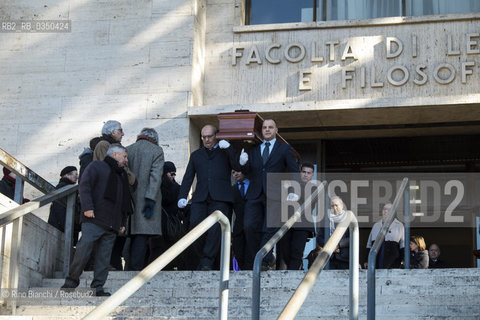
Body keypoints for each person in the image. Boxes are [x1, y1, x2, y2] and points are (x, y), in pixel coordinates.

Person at [61, 145, 132, 296]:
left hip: (112, 223)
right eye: (124, 156)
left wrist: (123, 223)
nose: (126, 160)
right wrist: (87, 207)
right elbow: (84, 186)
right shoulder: (97, 166)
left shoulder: (122, 175)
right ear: (114, 154)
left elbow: (124, 201)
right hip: (93, 219)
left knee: (104, 258)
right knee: (83, 251)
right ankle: (70, 283)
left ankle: (97, 287)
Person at [177, 124, 240, 270]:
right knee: (194, 226)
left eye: (209, 136)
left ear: (216, 136)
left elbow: (237, 166)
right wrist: (182, 196)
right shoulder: (196, 155)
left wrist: (229, 148)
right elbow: (188, 177)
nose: (206, 140)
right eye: (203, 137)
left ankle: (207, 261)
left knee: (215, 229)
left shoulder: (225, 152)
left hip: (221, 198)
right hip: (200, 198)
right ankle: (202, 258)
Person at [239, 119, 299, 270]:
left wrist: (293, 191)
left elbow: (294, 172)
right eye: (264, 127)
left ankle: (264, 261)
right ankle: (262, 257)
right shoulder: (253, 150)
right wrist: (243, 164)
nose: (267, 130)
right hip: (254, 194)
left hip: (275, 194)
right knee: (249, 226)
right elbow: (248, 172)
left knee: (269, 228)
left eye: (270, 127)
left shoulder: (284, 148)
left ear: (276, 130)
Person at [93, 120, 136, 270]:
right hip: (109, 196)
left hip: (119, 196)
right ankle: (108, 264)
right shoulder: (104, 145)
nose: (123, 133)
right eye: (120, 130)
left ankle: (114, 263)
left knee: (119, 233)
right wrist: (131, 177)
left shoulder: (114, 146)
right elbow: (109, 169)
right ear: (112, 132)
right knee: (110, 233)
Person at [126, 128, 164, 270]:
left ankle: (128, 267)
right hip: (146, 199)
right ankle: (135, 270)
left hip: (129, 199)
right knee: (142, 235)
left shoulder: (128, 149)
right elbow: (155, 177)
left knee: (131, 234)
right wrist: (151, 199)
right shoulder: (157, 151)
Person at [277, 162, 315, 270]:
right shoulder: (290, 185)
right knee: (285, 252)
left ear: (312, 175)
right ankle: (293, 271)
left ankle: (293, 275)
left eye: (309, 173)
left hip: (302, 225)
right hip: (286, 223)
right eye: (303, 172)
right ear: (299, 173)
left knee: (297, 251)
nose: (306, 175)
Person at [149, 161, 185, 270]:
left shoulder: (175, 188)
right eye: (171, 174)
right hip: (160, 226)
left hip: (169, 226)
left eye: (174, 174)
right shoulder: (159, 187)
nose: (173, 177)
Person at [364, 203, 405, 269]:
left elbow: (403, 244)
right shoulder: (376, 225)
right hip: (377, 259)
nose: (386, 211)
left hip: (393, 261)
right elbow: (369, 245)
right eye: (384, 209)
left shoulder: (399, 225)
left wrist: (404, 259)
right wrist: (366, 260)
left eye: (389, 209)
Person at [316, 196, 351, 269]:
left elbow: (352, 238)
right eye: (332, 206)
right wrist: (330, 246)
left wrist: (337, 245)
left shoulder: (349, 219)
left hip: (344, 258)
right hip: (328, 258)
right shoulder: (325, 220)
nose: (334, 208)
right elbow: (319, 238)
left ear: (342, 206)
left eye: (336, 205)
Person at [48, 166, 80, 244]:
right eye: (75, 174)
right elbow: (60, 210)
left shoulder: (68, 188)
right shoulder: (63, 188)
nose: (77, 177)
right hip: (61, 228)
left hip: (62, 227)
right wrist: (68, 228)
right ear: (67, 175)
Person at [231, 169, 249, 271]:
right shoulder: (232, 189)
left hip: (253, 227)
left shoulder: (255, 186)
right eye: (233, 172)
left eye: (238, 171)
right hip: (238, 228)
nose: (236, 174)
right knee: (239, 255)